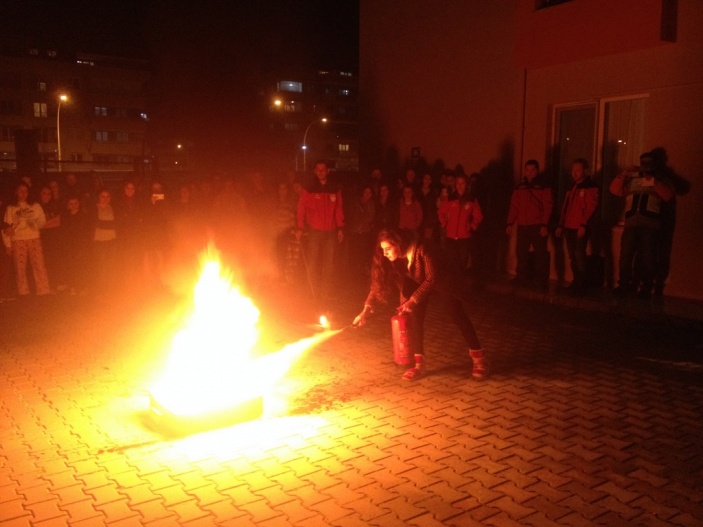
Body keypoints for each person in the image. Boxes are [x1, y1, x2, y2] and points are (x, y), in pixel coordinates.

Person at [352, 228, 488, 381]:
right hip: (416, 279)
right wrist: (366, 310)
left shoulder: (424, 248)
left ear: (399, 244)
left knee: (456, 314)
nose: (385, 253)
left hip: (442, 280)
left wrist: (413, 299)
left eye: (388, 249)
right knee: (414, 318)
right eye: (383, 249)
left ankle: (479, 359)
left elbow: (432, 278)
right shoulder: (393, 258)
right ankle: (419, 365)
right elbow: (377, 286)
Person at [609, 151, 675, 298]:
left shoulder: (661, 179)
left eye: (648, 162)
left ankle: (646, 288)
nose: (645, 166)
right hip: (631, 224)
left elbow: (668, 194)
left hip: (650, 226)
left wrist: (652, 180)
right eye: (643, 162)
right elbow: (614, 189)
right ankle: (624, 285)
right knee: (625, 256)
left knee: (648, 258)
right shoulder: (633, 180)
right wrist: (625, 173)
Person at [295, 160, 344, 302]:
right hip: (315, 231)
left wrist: (340, 227)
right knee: (312, 262)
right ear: (315, 171)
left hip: (331, 231)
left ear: (328, 171)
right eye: (318, 170)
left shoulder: (335, 188)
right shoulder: (309, 188)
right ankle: (311, 292)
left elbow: (339, 208)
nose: (321, 172)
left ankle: (325, 293)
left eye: (323, 169)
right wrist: (300, 226)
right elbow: (301, 208)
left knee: (329, 264)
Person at [506, 159, 553, 289]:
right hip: (523, 225)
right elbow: (514, 206)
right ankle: (521, 277)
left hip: (537, 224)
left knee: (540, 253)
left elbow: (548, 206)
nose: (530, 173)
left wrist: (544, 224)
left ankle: (540, 279)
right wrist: (510, 223)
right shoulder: (520, 187)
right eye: (527, 170)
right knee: (521, 252)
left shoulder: (544, 186)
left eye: (532, 170)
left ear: (537, 171)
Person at [555, 158, 600, 296]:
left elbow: (591, 207)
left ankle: (581, 284)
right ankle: (576, 281)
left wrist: (583, 224)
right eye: (573, 170)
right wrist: (561, 225)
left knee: (579, 255)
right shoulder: (572, 187)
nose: (574, 173)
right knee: (573, 256)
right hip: (569, 227)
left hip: (580, 227)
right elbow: (566, 207)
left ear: (585, 171)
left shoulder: (590, 186)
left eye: (578, 170)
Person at [2, 182, 51, 296]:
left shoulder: (35, 206)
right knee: (20, 267)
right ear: (16, 192)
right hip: (18, 240)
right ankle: (23, 292)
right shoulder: (11, 208)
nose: (23, 194)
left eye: (26, 191)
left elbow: (42, 221)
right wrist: (8, 245)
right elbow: (6, 228)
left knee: (39, 264)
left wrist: (33, 224)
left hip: (34, 238)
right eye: (21, 191)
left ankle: (43, 290)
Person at [438, 173, 484, 276]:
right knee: (452, 262)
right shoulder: (450, 198)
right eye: (458, 183)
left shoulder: (471, 199)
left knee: (463, 262)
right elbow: (441, 212)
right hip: (450, 236)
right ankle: (453, 285)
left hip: (465, 237)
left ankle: (461, 284)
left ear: (466, 184)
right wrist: (445, 224)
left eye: (462, 183)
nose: (460, 185)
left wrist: (472, 226)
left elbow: (478, 216)